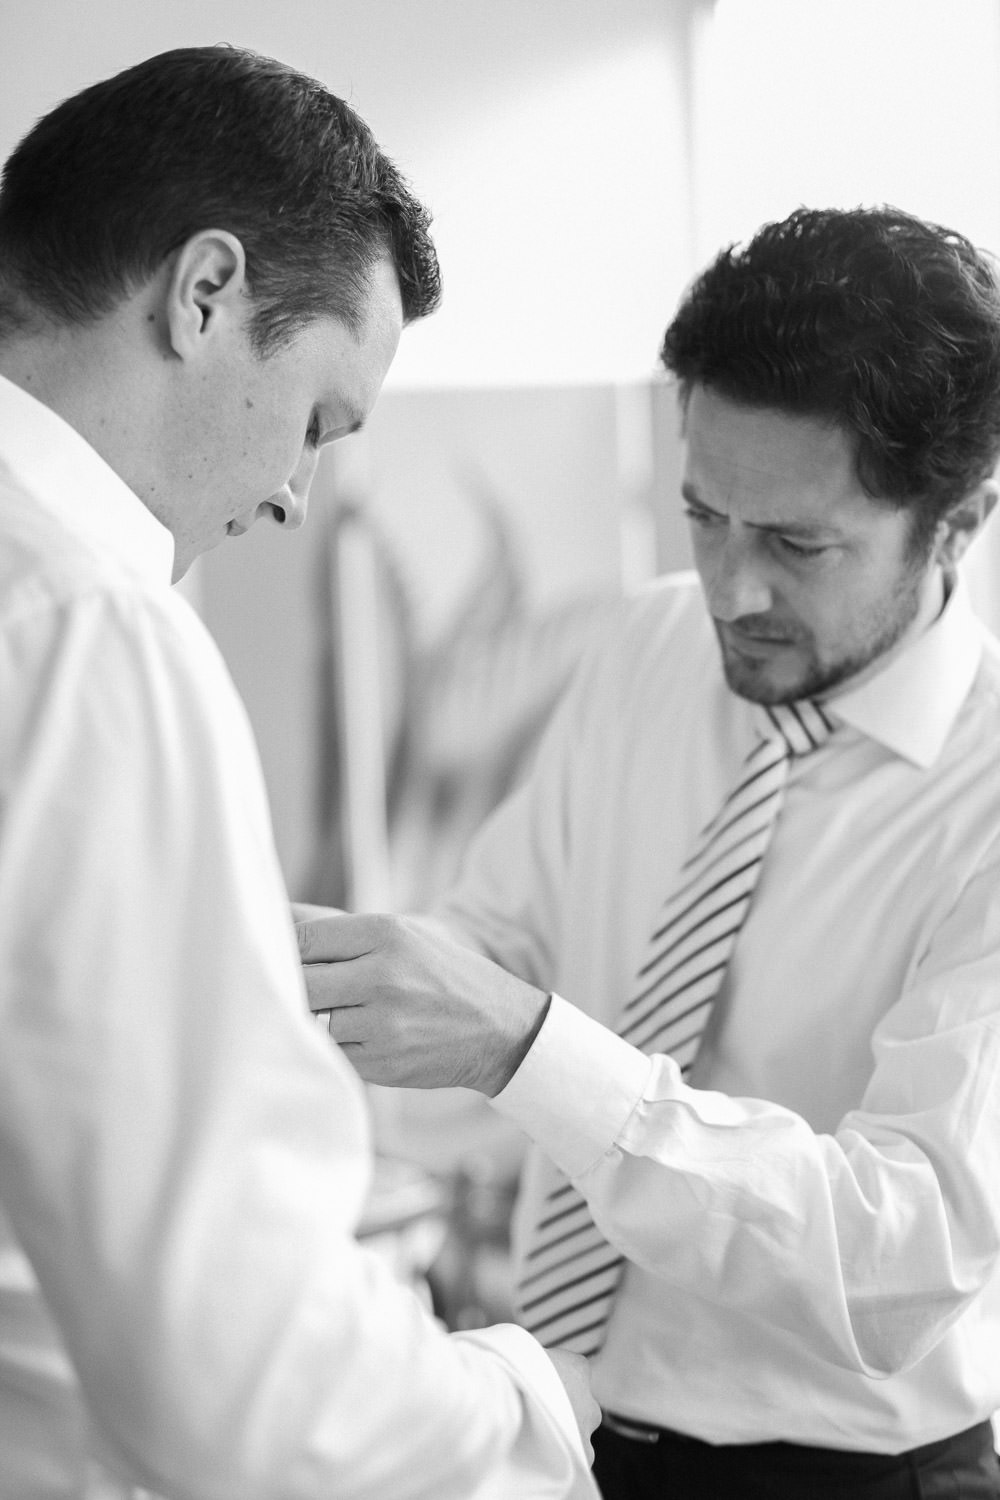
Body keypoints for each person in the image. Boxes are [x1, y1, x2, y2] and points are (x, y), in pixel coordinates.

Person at [298, 205, 1000, 1499]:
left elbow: (905, 1257)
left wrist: (526, 1046)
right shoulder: (652, 646)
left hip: (855, 1472)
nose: (733, 587)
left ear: (958, 523)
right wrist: (306, 998)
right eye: (704, 514)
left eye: (797, 544)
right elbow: (497, 941)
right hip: (568, 1427)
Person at [0, 45, 601, 1499]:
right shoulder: (91, 633)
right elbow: (234, 1373)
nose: (291, 493)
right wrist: (518, 1403)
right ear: (205, 294)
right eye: (323, 419)